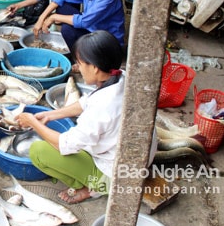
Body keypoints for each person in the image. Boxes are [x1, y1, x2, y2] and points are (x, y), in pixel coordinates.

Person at [16, 30, 158, 203]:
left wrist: (32, 121)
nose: (78, 68)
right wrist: (50, 115)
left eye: (80, 63)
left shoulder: (103, 107)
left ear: (95, 68)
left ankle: (93, 187)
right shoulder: (120, 76)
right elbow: (85, 102)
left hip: (118, 176)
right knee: (72, 136)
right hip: (137, 158)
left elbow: (63, 145)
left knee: (38, 152)